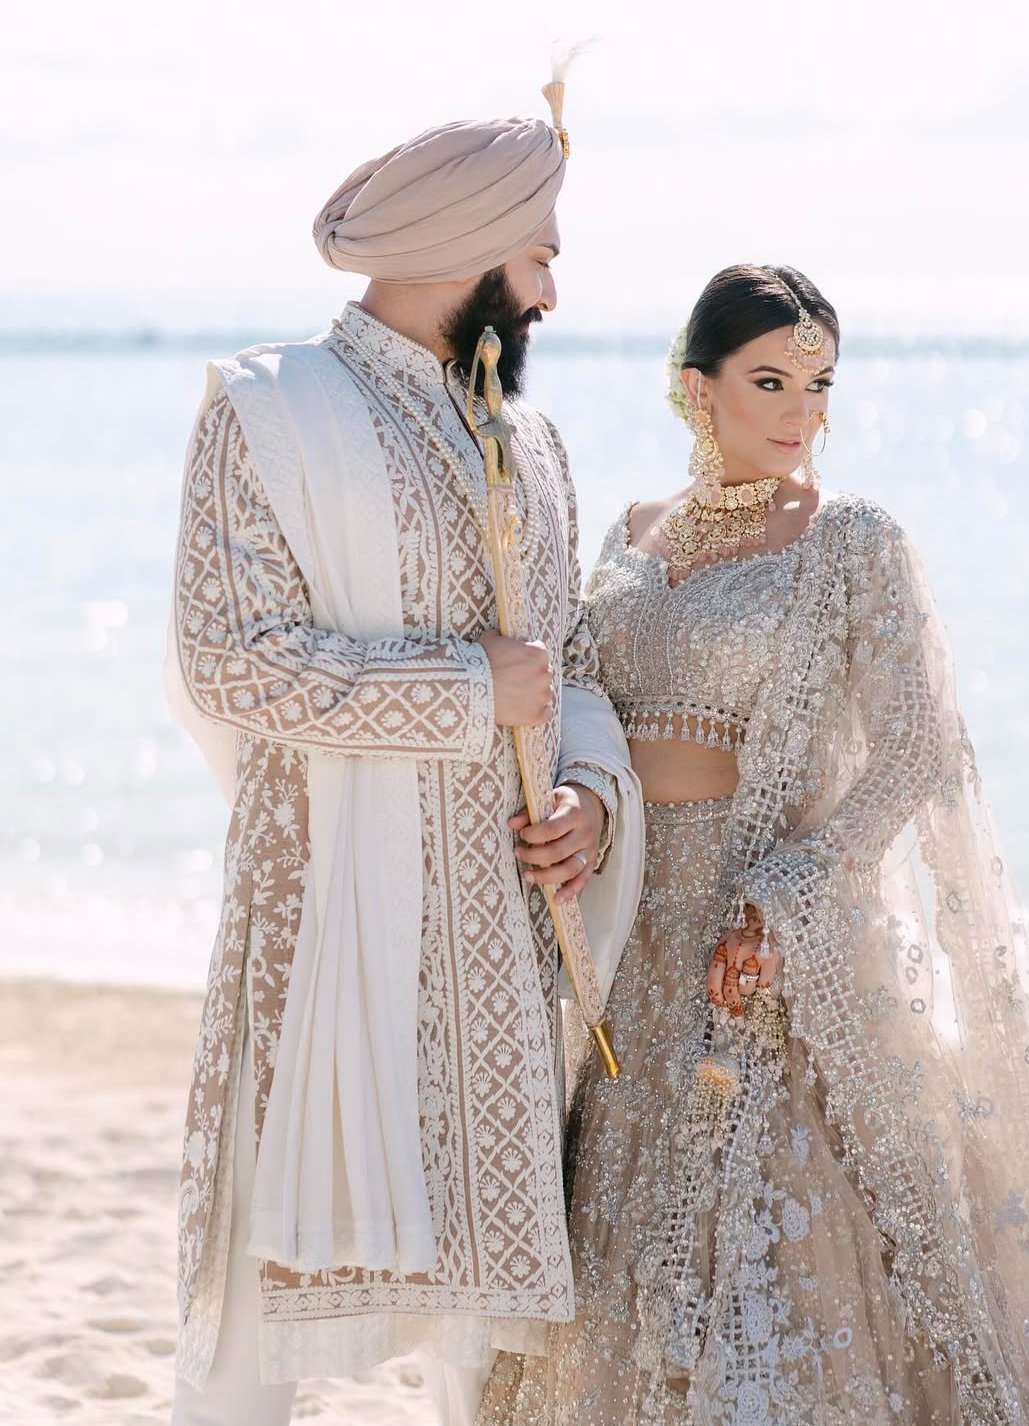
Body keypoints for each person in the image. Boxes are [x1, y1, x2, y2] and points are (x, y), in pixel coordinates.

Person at [165, 81, 643, 1426]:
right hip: (322, 919)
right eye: (537, 250)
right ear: (460, 250)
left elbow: (570, 673)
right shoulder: (265, 411)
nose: (550, 288)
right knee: (263, 1312)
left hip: (498, 932)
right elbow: (227, 659)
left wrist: (587, 802)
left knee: (487, 1339)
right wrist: (459, 689)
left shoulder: (528, 442)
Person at [480, 265, 1029, 1425]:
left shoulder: (851, 542)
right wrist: (580, 807)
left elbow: (915, 754)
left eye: (819, 383)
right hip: (636, 933)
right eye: (770, 379)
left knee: (787, 1247)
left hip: (774, 938)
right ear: (697, 389)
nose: (800, 410)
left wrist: (784, 898)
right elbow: (580, 711)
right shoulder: (628, 537)